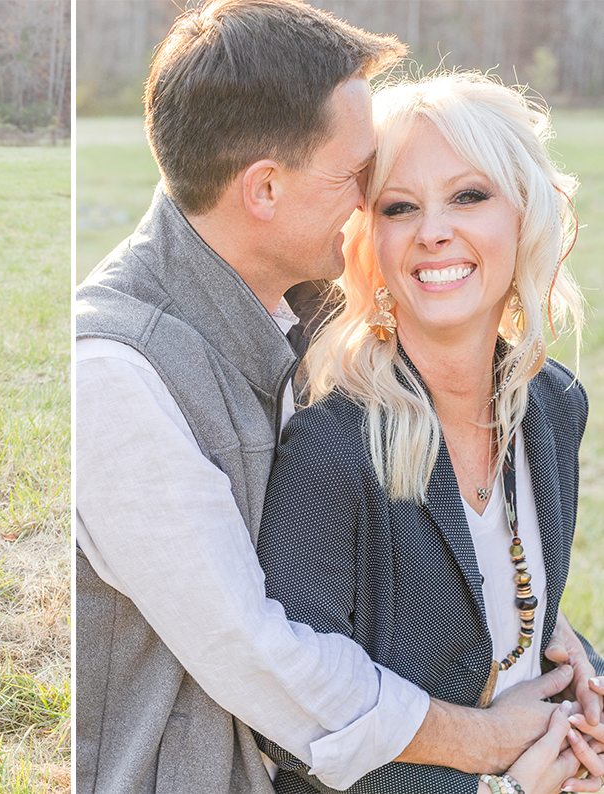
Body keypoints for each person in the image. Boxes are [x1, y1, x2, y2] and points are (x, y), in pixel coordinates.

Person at [75, 2, 604, 792]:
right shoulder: (116, 376)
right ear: (264, 191)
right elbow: (267, 662)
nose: (376, 210)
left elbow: (487, 578)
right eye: (368, 182)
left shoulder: (316, 309)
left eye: (469, 197)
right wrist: (495, 760)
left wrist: (559, 656)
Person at [254, 71, 604, 794]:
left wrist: (586, 687)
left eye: (469, 196)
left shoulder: (555, 406)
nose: (433, 231)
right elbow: (291, 731)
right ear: (369, 243)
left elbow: (513, 617)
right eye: (400, 207)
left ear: (525, 214)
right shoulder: (333, 449)